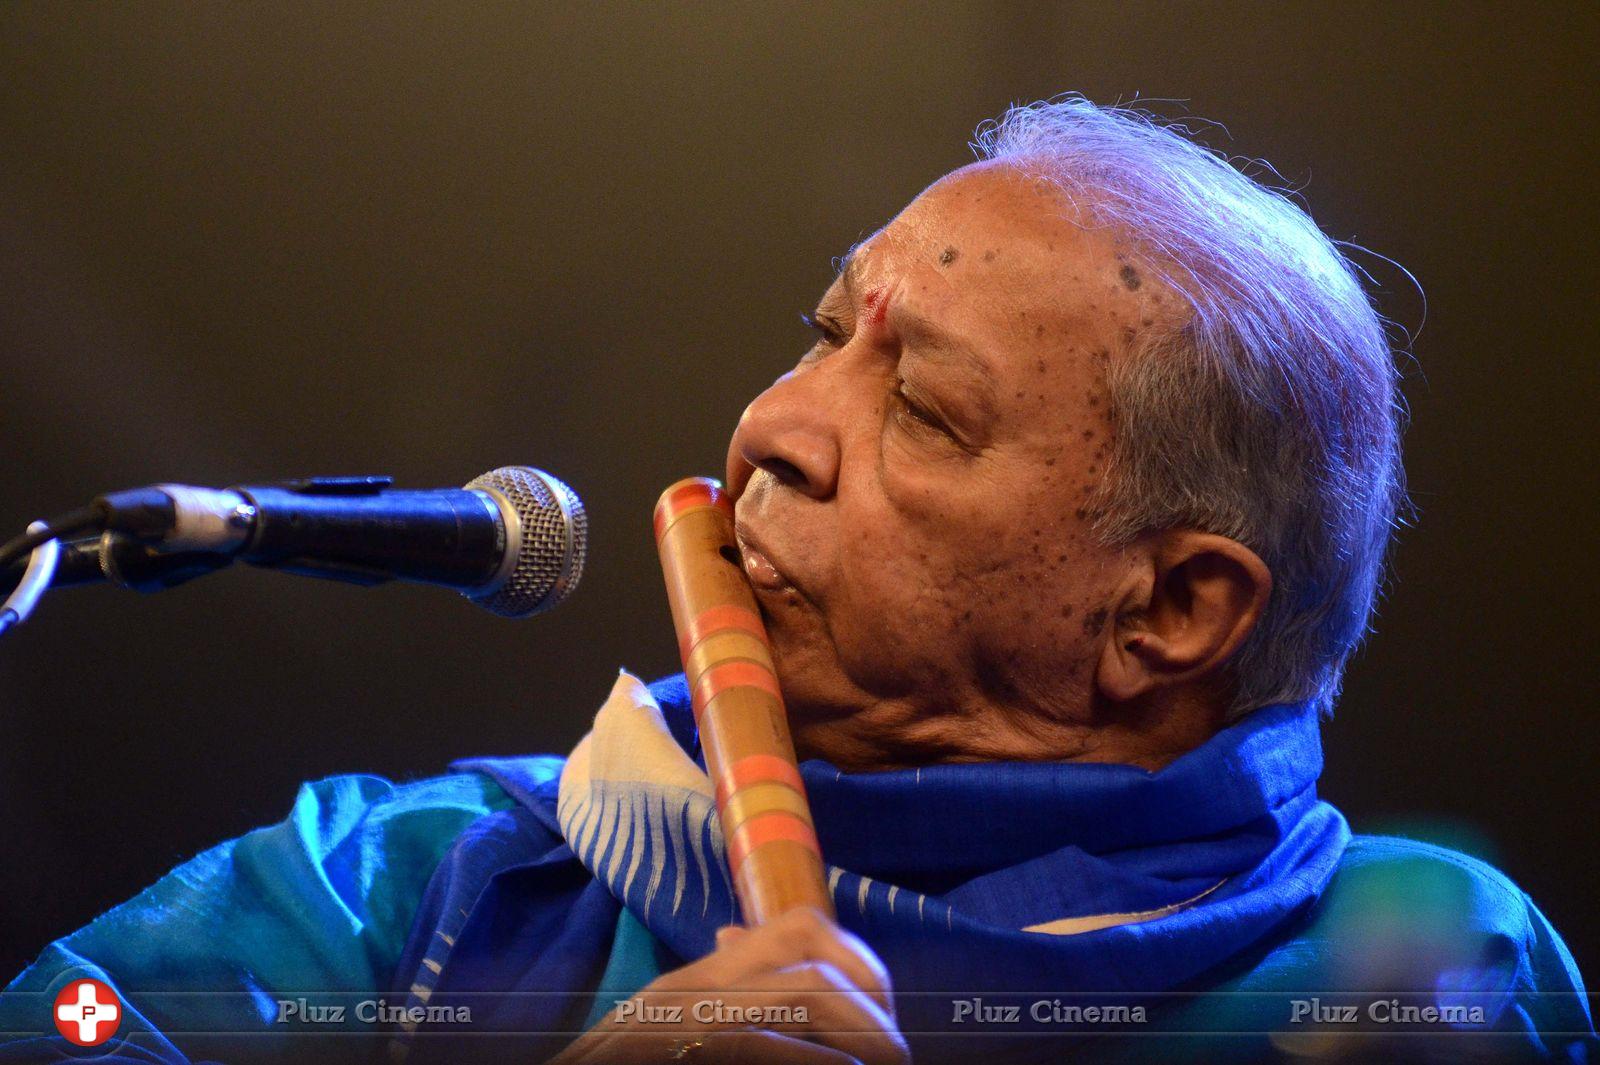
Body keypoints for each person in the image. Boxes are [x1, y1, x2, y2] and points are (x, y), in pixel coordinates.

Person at [2, 96, 1592, 1065]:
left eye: (927, 408)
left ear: (1169, 612)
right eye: (832, 334)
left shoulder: (1424, 971)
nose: (771, 428)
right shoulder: (398, 890)